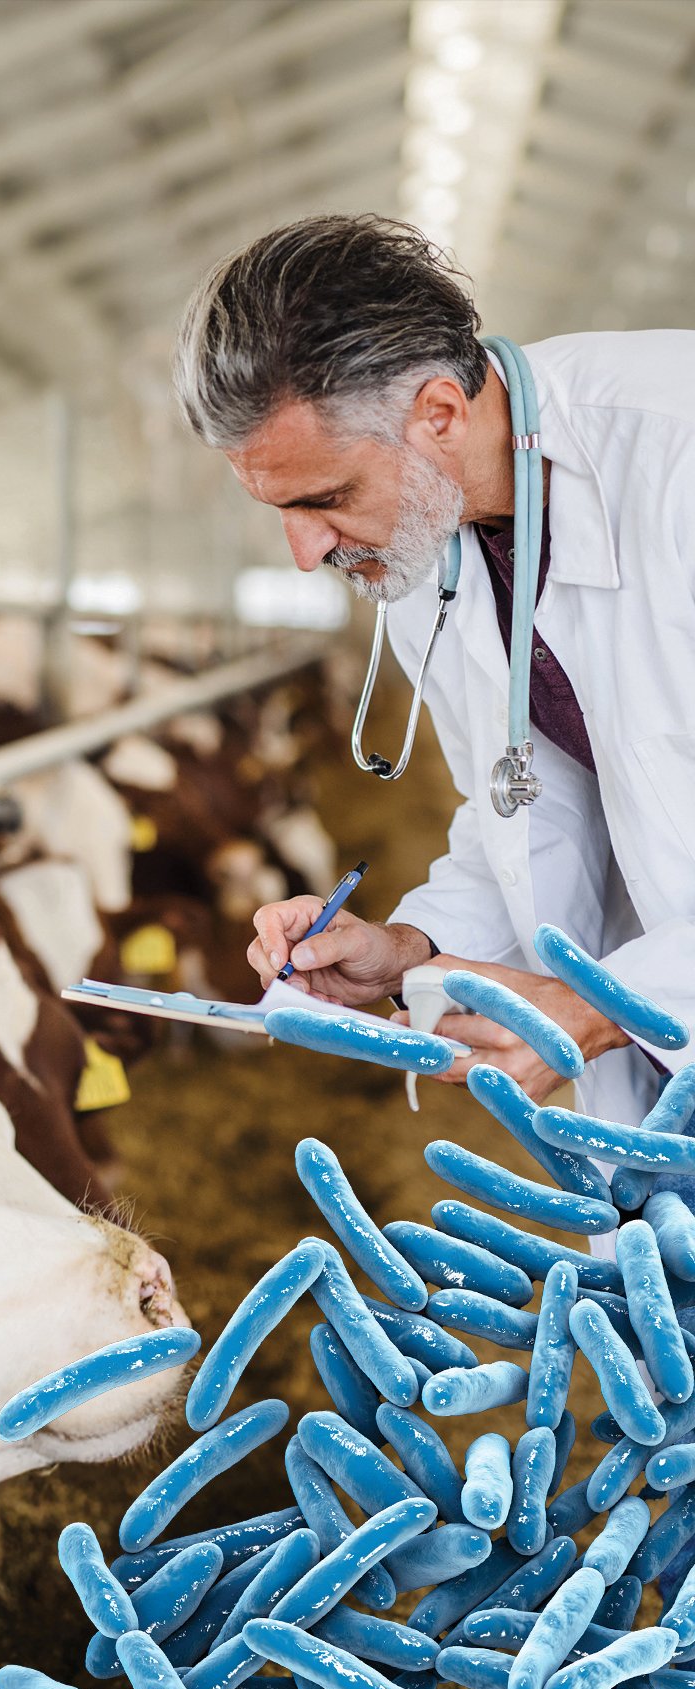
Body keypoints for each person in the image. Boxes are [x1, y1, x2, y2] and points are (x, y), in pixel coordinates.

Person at [173, 213, 695, 1122]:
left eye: (326, 498)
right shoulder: (427, 537)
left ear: (440, 414)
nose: (304, 552)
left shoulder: (676, 455)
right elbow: (531, 802)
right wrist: (410, 949)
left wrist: (608, 1004)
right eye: (279, 509)